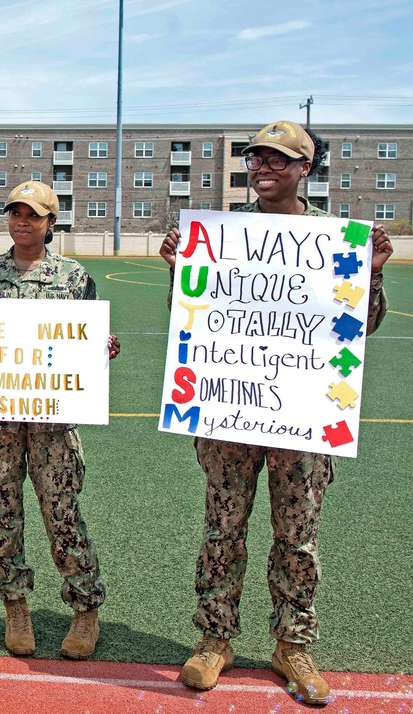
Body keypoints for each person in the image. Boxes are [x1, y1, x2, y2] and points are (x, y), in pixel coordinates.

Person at [159, 121, 393, 706]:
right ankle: (215, 639)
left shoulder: (334, 238)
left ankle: (293, 644)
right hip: (231, 413)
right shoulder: (221, 235)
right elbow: (191, 319)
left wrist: (374, 275)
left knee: (298, 536)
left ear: (303, 169)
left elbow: (359, 327)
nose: (263, 168)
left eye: (279, 160)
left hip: (304, 413)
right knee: (222, 529)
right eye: (256, 159)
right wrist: (179, 271)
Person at [0, 181, 120, 659]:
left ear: (50, 222)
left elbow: (85, 343)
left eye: (33, 214)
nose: (23, 221)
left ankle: (85, 607)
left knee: (62, 515)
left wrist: (101, 348)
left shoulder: (74, 278)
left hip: (53, 425)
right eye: (15, 213)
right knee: (2, 515)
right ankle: (15, 604)